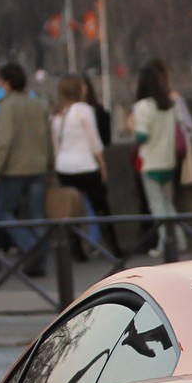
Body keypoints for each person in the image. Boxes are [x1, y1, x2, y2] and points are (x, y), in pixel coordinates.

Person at [0, 62, 53, 275]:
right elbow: (47, 139)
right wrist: (50, 166)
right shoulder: (37, 104)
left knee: (3, 211)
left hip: (14, 169)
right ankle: (40, 259)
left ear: (6, 83)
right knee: (37, 214)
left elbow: (3, 142)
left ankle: (30, 246)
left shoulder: (7, 106)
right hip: (38, 166)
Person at [53, 74, 114, 258]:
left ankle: (76, 250)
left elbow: (56, 145)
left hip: (64, 166)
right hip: (86, 165)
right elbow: (94, 142)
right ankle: (113, 246)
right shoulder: (84, 110)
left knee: (72, 211)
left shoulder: (58, 114)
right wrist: (102, 165)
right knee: (101, 207)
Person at [130, 64, 189, 253]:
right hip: (168, 161)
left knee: (157, 207)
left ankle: (165, 244)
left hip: (150, 162)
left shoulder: (142, 107)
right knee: (169, 205)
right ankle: (180, 240)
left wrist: (133, 130)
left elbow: (142, 136)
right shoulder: (170, 105)